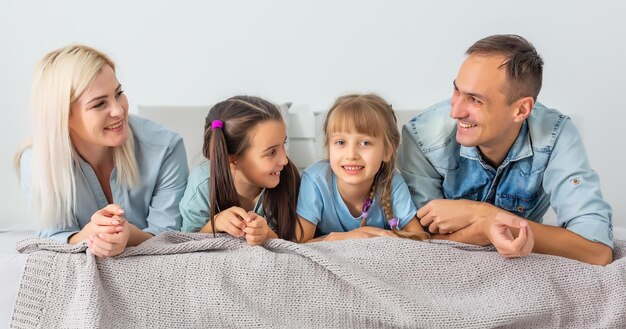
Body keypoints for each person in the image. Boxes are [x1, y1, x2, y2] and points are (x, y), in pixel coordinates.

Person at [397, 34, 613, 265]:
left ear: (521, 110)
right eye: (457, 90)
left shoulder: (556, 135)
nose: (456, 111)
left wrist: (484, 215)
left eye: (475, 100)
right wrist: (484, 229)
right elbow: (420, 242)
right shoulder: (422, 136)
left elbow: (597, 252)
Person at [15, 45, 189, 257]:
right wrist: (90, 235)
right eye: (99, 104)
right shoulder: (37, 161)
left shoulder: (166, 148)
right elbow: (51, 235)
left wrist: (128, 235)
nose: (118, 110)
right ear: (63, 116)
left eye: (119, 93)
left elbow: (170, 236)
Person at [297, 94, 429, 242]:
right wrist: (352, 236)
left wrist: (373, 235)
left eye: (365, 143)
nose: (351, 155)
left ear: (387, 150)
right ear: (329, 148)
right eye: (340, 142)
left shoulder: (392, 184)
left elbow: (420, 239)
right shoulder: (315, 181)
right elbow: (299, 243)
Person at [180, 96, 301, 245]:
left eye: (284, 143)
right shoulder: (202, 185)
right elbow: (186, 244)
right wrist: (215, 223)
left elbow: (295, 243)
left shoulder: (289, 177)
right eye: (271, 152)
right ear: (232, 158)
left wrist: (268, 235)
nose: (284, 160)